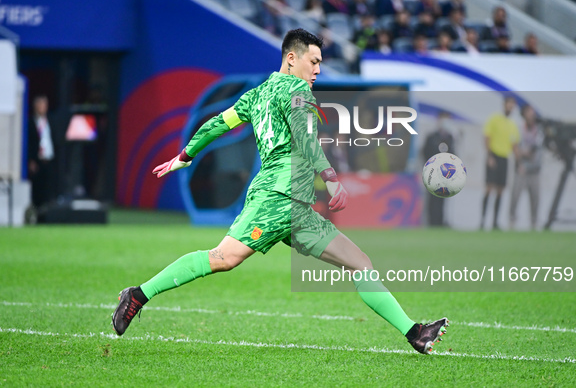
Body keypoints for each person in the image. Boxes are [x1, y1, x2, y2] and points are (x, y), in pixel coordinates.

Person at [112, 29, 448, 354]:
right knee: (223, 258)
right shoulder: (298, 92)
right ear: (291, 58)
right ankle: (139, 294)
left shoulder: (256, 95)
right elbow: (305, 140)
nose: (317, 70)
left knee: (360, 263)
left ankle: (414, 332)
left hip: (297, 207)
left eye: (320, 63)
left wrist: (186, 155)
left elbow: (218, 123)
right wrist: (331, 178)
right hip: (276, 199)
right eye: (313, 61)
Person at [480, 96, 520, 230]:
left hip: (504, 158)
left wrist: (518, 162)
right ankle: (482, 221)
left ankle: (495, 222)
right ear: (504, 105)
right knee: (489, 188)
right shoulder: (494, 119)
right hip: (494, 156)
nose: (510, 107)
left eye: (512, 105)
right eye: (509, 104)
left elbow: (514, 145)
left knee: (500, 191)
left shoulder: (513, 124)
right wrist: (489, 156)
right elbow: (487, 137)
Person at [509, 105, 543, 230]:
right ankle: (512, 220)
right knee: (515, 195)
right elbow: (515, 146)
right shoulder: (519, 128)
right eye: (529, 112)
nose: (531, 115)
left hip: (535, 169)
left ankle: (534, 222)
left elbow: (539, 147)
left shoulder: (539, 130)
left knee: (535, 197)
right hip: (521, 169)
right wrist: (520, 161)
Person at [422, 111, 455, 226]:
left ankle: (441, 221)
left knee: (443, 198)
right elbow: (425, 152)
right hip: (433, 172)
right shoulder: (432, 137)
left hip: (445, 173)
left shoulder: (450, 137)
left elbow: (453, 155)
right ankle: (432, 222)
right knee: (432, 198)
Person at [27, 95, 56, 209]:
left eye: (45, 104)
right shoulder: (30, 123)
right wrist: (30, 160)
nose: (43, 107)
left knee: (49, 187)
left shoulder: (51, 121)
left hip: (49, 159)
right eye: (40, 104)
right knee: (37, 188)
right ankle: (36, 211)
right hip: (37, 160)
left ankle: (48, 211)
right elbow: (28, 142)